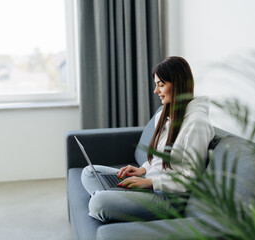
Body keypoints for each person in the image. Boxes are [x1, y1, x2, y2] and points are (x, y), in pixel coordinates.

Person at [81, 56, 215, 222]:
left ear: (178, 84)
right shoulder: (163, 114)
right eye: (156, 84)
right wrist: (143, 170)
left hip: (169, 198)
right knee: (89, 173)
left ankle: (109, 197)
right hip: (150, 182)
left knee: (99, 203)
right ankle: (116, 196)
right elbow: (159, 159)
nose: (156, 91)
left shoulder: (197, 123)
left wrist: (151, 182)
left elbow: (191, 177)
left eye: (161, 84)